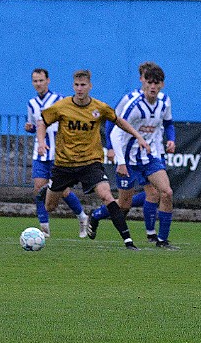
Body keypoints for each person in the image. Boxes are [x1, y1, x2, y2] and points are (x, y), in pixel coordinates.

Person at [36, 69, 150, 250]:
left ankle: (128, 241)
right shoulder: (62, 106)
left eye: (83, 85)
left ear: (90, 86)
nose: (80, 89)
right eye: (76, 85)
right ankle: (49, 187)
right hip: (64, 164)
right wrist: (41, 142)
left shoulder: (99, 107)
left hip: (91, 163)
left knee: (107, 196)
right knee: (50, 206)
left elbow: (118, 120)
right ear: (73, 86)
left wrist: (138, 136)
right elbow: (42, 122)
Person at [92, 62, 172, 242]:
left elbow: (168, 123)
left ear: (162, 84)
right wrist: (114, 152)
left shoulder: (164, 102)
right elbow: (114, 125)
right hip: (128, 158)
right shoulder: (131, 102)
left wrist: (171, 139)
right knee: (124, 204)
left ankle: (159, 239)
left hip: (150, 157)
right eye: (148, 81)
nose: (152, 86)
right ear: (142, 80)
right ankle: (97, 215)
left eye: (156, 82)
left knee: (165, 192)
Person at [25, 68, 88, 238]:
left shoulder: (59, 100)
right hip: (40, 153)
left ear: (48, 81)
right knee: (39, 189)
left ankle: (82, 216)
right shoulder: (31, 103)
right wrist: (30, 128)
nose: (38, 84)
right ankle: (44, 229)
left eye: (41, 80)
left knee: (63, 190)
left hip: (59, 153)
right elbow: (35, 126)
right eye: (35, 81)